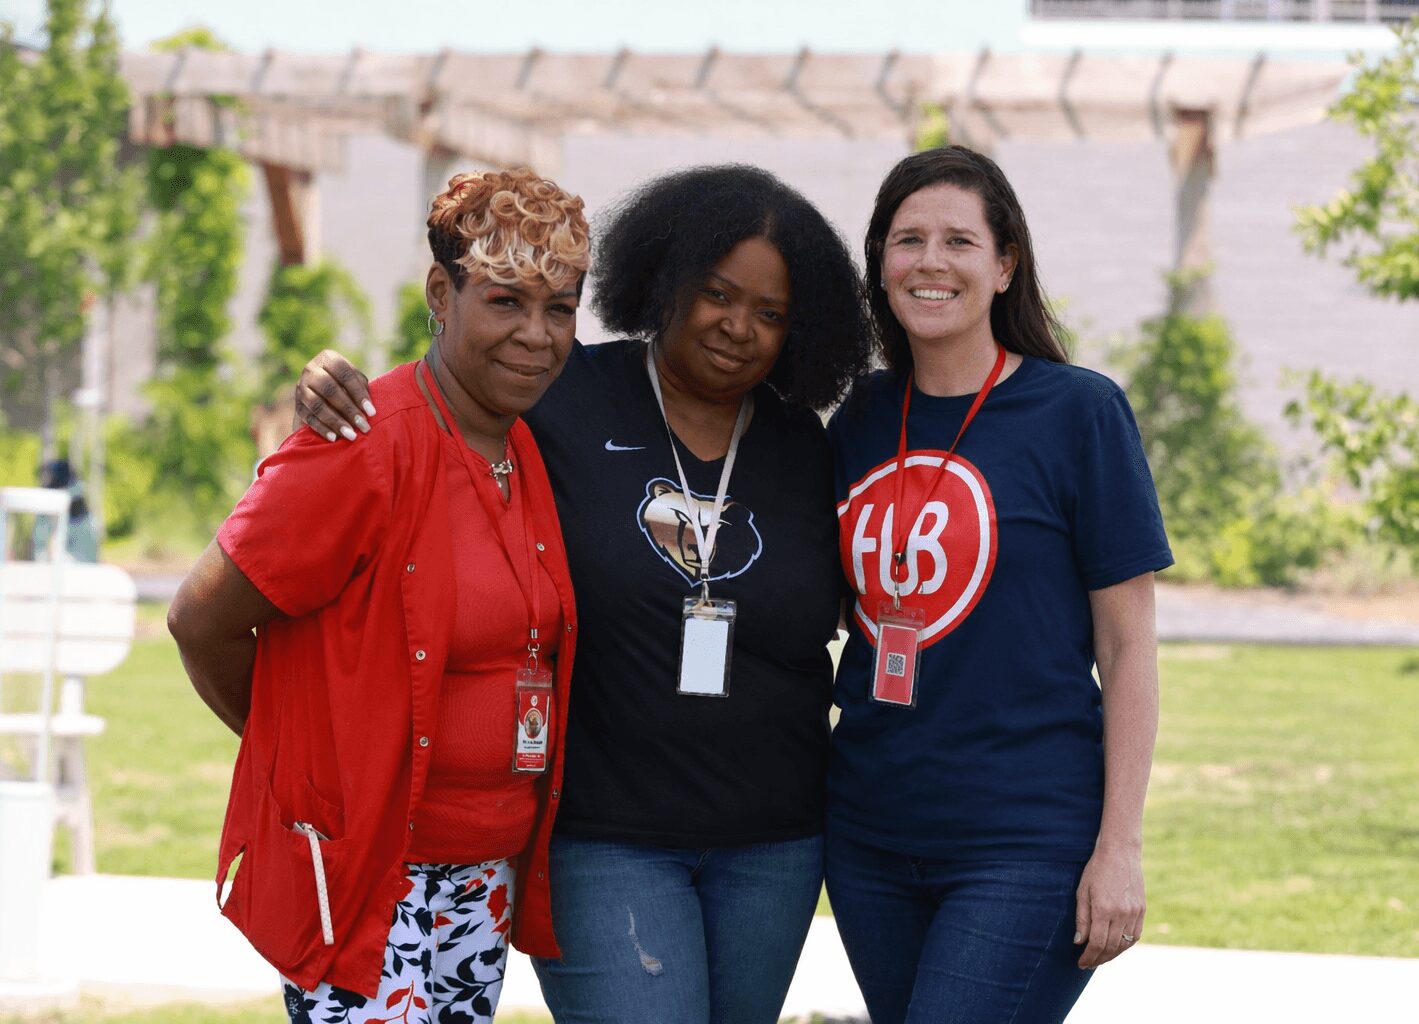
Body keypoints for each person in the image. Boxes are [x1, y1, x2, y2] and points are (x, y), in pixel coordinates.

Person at [292, 165, 872, 1024]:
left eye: (772, 313)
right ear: (667, 282)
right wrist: (331, 389)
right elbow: (438, 403)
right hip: (602, 835)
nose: (738, 327)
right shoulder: (558, 397)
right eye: (717, 293)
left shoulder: (807, 447)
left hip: (776, 844)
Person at [168, 168, 590, 1023]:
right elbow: (200, 619)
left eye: (561, 308)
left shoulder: (524, 450)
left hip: (482, 882)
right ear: (443, 292)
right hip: (369, 879)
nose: (537, 335)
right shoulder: (364, 441)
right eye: (506, 301)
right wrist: (321, 770)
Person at [823, 145, 1170, 1023]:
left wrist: (1119, 847)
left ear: (1004, 263)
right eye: (906, 240)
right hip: (868, 837)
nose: (929, 263)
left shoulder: (1079, 413)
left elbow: (1128, 646)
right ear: (879, 263)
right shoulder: (858, 417)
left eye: (958, 241)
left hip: (1024, 837)